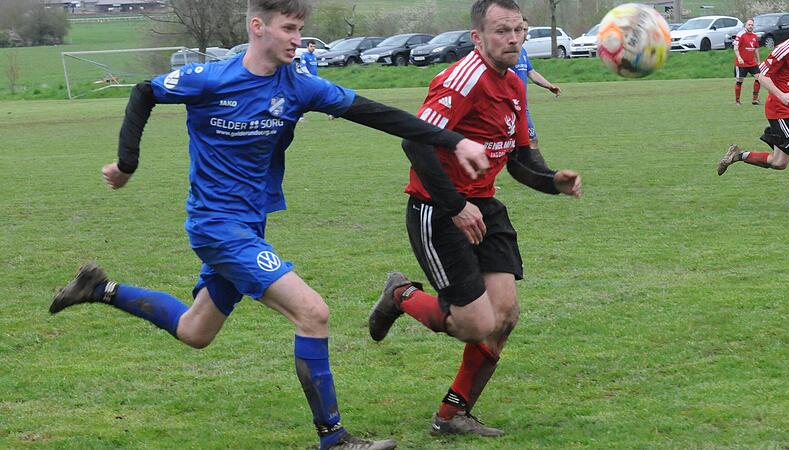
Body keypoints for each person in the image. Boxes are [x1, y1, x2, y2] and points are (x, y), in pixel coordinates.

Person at [48, 1, 489, 449]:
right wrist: (127, 164)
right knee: (312, 312)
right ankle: (333, 439)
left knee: (194, 331)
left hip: (249, 225)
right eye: (289, 28)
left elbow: (376, 114)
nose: (298, 39)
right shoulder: (210, 80)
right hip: (216, 227)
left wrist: (454, 140)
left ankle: (98, 288)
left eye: (300, 29)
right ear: (258, 27)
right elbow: (144, 91)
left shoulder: (299, 86)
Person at [367, 0, 582, 438]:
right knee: (474, 324)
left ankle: (452, 415)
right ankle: (401, 293)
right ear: (477, 36)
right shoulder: (462, 80)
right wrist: (454, 206)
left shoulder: (515, 81)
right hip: (437, 208)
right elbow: (415, 142)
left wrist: (552, 180)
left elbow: (521, 158)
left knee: (503, 315)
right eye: (502, 30)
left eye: (518, 30)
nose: (513, 39)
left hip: (484, 205)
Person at [717, 10, 789, 212]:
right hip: (781, 110)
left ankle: (738, 155)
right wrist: (781, 95)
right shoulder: (785, 49)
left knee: (778, 162)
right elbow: (761, 74)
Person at [514, 17, 561, 146]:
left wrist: (549, 86)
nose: (523, 33)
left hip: (523, 108)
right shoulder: (507, 54)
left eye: (525, 29)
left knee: (531, 140)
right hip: (508, 108)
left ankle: (529, 166)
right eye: (520, 29)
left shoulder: (522, 51)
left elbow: (531, 72)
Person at [733, 19, 761, 106]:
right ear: (745, 25)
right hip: (742, 63)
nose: (750, 26)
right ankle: (737, 101)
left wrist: (758, 60)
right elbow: (735, 47)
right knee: (739, 81)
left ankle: (755, 99)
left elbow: (756, 49)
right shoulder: (741, 34)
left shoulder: (755, 36)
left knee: (759, 78)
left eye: (752, 25)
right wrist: (739, 57)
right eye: (749, 24)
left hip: (752, 63)